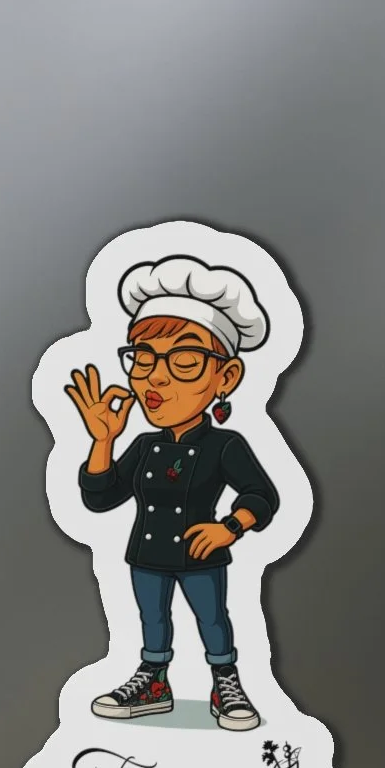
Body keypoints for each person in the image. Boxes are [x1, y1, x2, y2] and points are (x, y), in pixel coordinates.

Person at [66, 256, 279, 731]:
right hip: (146, 554)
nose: (156, 378)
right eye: (143, 359)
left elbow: (262, 495)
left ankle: (226, 683)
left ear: (226, 378)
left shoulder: (225, 445)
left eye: (184, 361)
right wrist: (103, 441)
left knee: (213, 620)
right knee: (153, 621)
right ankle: (153, 682)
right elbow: (100, 499)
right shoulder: (144, 445)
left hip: (202, 554)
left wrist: (230, 528)